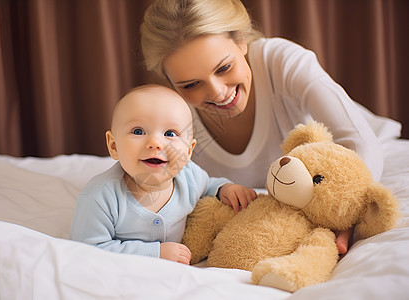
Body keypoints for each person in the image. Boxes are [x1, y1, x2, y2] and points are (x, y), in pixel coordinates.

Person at [139, 0, 382, 254]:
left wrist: (346, 216)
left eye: (224, 68)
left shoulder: (281, 61)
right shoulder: (170, 113)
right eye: (190, 85)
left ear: (242, 41)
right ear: (169, 82)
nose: (218, 92)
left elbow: (359, 142)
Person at [69, 84, 257, 265]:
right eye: (138, 131)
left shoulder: (189, 176)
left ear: (188, 151)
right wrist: (155, 253)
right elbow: (88, 249)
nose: (155, 143)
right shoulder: (100, 196)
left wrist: (224, 188)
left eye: (170, 133)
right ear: (114, 146)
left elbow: (207, 185)